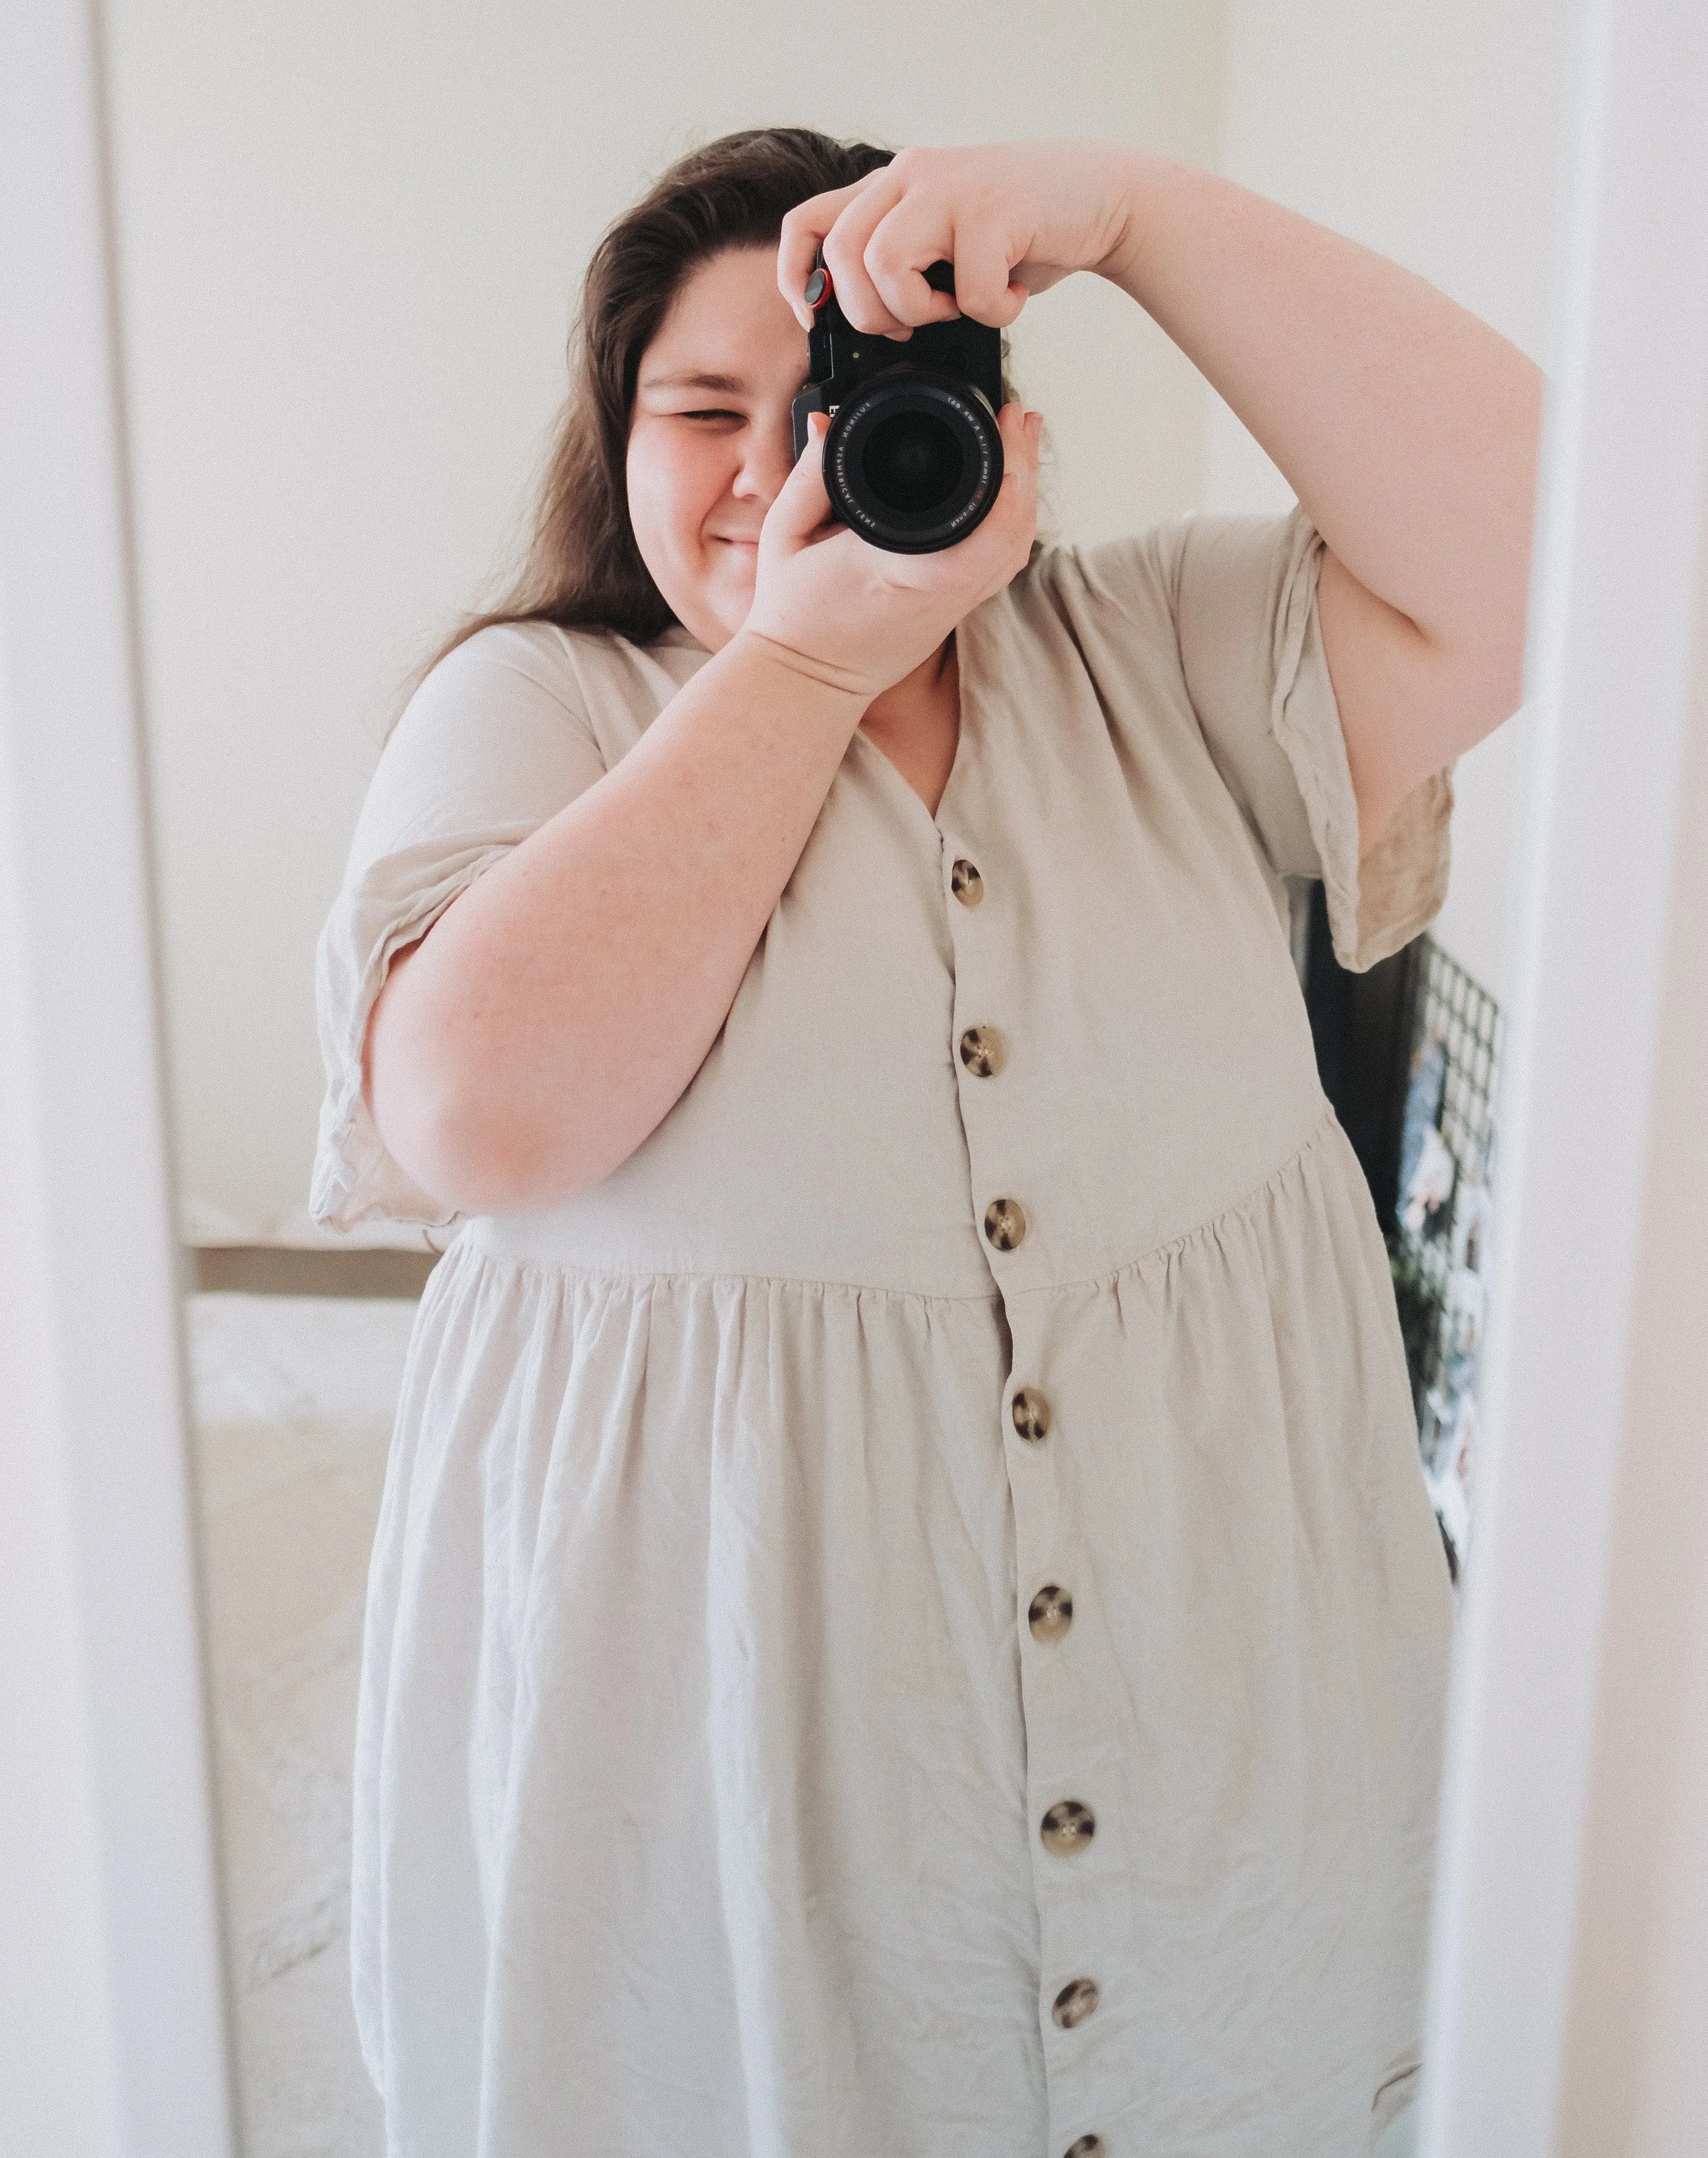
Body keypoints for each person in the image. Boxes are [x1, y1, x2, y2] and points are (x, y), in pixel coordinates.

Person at [312, 129, 1539, 2158]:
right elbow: (477, 1114)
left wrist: (1137, 215)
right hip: (730, 1759)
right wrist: (805, 660)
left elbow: (1556, 548)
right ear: (607, 445)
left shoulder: (1157, 651)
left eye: (839, 403)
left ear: (979, 419)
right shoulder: (539, 699)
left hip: (1223, 1697)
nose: (767, 466)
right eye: (700, 412)